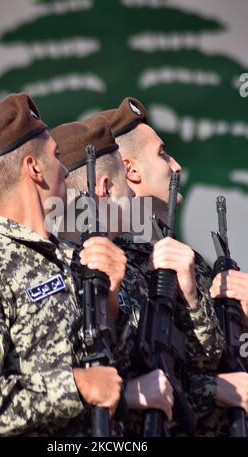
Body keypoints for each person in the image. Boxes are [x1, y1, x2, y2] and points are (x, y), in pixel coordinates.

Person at [0, 93, 125, 437]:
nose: (64, 169)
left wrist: (113, 302)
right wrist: (75, 386)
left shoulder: (74, 257)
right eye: (57, 157)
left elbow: (114, 375)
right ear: (34, 168)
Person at [87, 97, 236, 436]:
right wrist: (214, 390)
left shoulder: (182, 256)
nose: (177, 165)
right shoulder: (105, 260)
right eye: (163, 154)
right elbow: (123, 377)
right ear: (131, 170)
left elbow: (212, 356)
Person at [51, 116, 175, 430]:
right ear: (104, 187)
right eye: (125, 185)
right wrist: (124, 395)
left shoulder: (130, 271)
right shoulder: (52, 273)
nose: (134, 196)